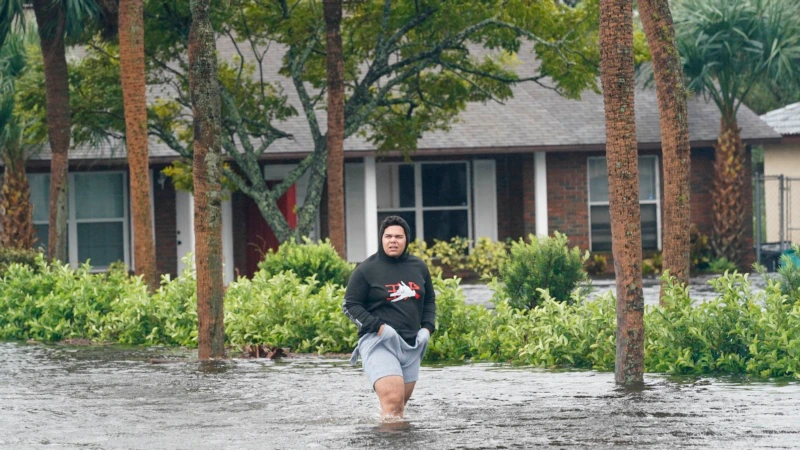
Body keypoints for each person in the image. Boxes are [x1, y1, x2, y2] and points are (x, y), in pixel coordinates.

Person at [343, 215, 436, 420]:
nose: (393, 240)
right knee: (393, 401)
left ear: (406, 240)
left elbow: (429, 301)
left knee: (397, 409)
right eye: (388, 236)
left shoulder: (419, 267)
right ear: (381, 239)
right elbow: (350, 306)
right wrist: (379, 328)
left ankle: (386, 439)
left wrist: (427, 329)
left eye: (398, 237)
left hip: (412, 344)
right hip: (378, 342)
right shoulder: (366, 269)